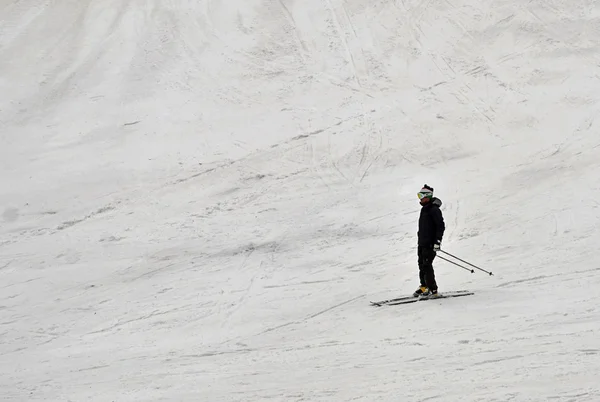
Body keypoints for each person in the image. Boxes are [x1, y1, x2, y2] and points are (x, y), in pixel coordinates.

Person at [413, 184, 445, 297]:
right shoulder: (424, 209)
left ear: (428, 196)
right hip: (422, 243)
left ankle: (433, 289)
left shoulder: (434, 210)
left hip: (430, 244)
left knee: (427, 265)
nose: (420, 198)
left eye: (421, 196)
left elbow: (440, 227)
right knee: (421, 265)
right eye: (419, 196)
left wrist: (437, 242)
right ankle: (424, 286)